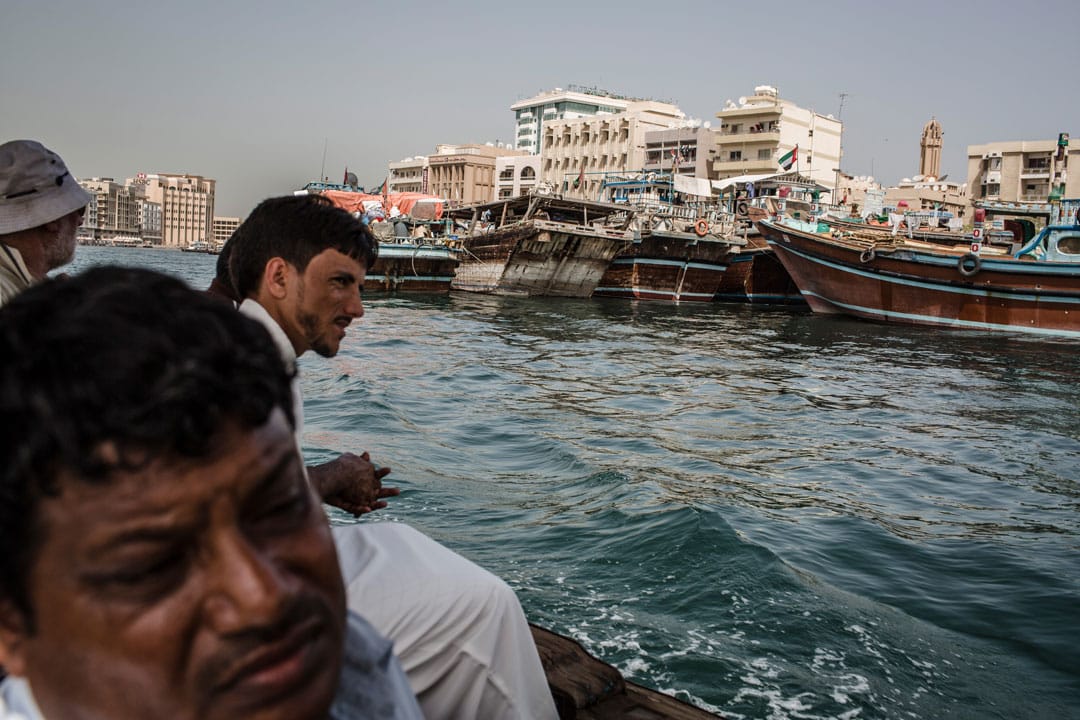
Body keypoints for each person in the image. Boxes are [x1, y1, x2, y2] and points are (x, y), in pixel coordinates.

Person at [0, 267, 422, 719]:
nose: (264, 598)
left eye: (281, 509)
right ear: (11, 626)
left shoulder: (353, 666)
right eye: (156, 565)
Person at [223, 195, 558, 720]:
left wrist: (329, 481)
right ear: (279, 277)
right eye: (340, 282)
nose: (357, 307)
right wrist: (334, 476)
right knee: (484, 604)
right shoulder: (240, 368)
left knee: (399, 543)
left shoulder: (243, 347)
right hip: (242, 606)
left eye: (359, 286)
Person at [0, 140, 90, 307]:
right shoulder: (5, 294)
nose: (80, 221)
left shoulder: (23, 285)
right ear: (53, 219)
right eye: (79, 210)